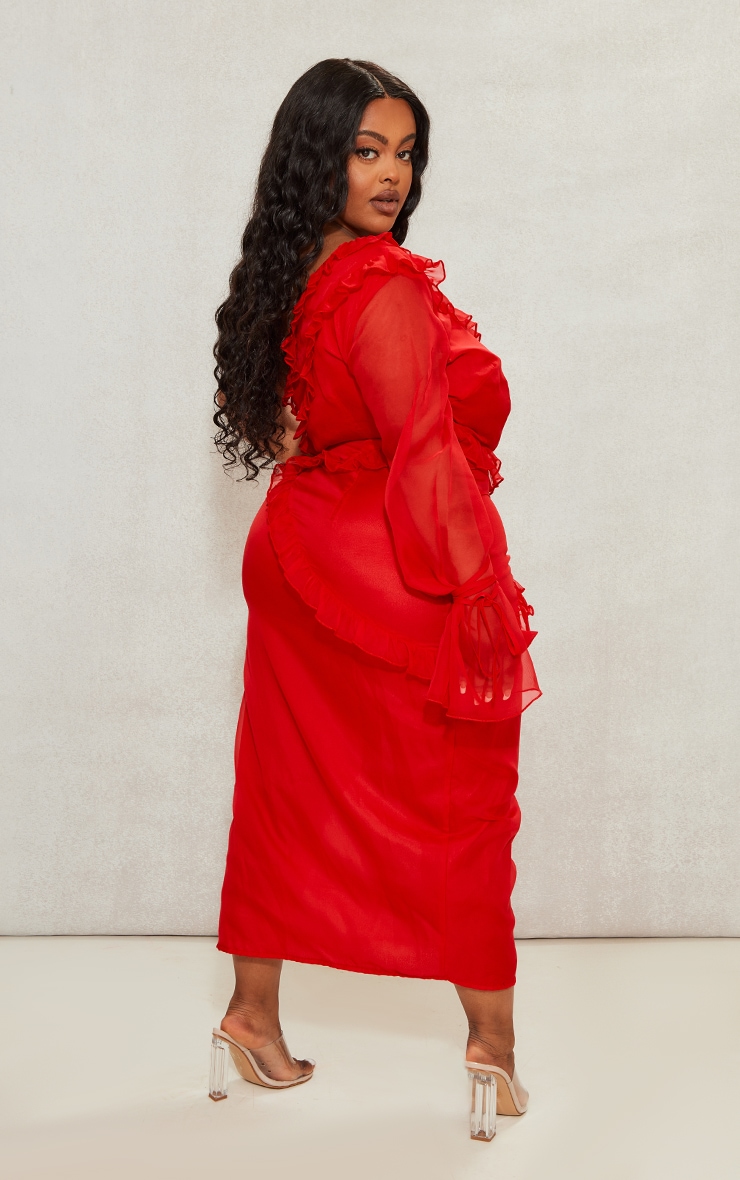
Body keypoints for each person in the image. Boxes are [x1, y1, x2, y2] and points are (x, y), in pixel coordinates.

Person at [208, 58, 540, 1137]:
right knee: (466, 793)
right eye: (365, 151)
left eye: (404, 153)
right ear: (320, 157)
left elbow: (293, 428)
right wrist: (478, 592)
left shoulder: (292, 273)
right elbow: (421, 452)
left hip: (294, 553)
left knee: (281, 782)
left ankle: (250, 1016)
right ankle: (492, 1048)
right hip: (373, 562)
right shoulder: (383, 286)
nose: (391, 175)